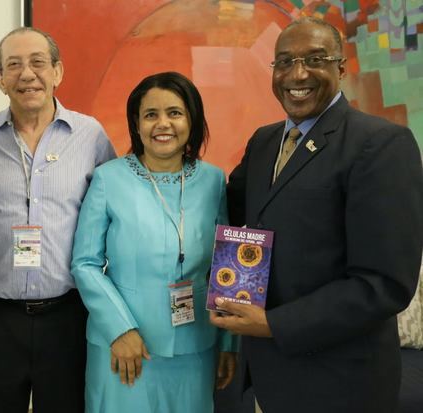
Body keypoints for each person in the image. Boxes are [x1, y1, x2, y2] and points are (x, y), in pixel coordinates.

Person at [210, 17, 423, 413]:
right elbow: (225, 209)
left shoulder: (381, 144)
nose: (298, 73)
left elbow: (384, 283)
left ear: (341, 68)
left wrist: (274, 325)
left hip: (339, 383)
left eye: (315, 59)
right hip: (270, 379)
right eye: (285, 61)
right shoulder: (265, 141)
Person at [0, 27, 116, 413]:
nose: (27, 74)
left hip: (67, 317)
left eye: (38, 62)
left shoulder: (90, 135)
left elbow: (116, 214)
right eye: (14, 65)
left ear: (57, 72)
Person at [71, 72, 238, 413]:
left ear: (192, 119)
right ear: (136, 123)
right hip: (124, 348)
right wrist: (120, 329)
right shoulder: (108, 178)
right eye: (151, 114)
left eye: (175, 113)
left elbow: (227, 265)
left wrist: (229, 342)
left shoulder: (213, 180)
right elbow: (85, 264)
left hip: (197, 345)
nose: (163, 124)